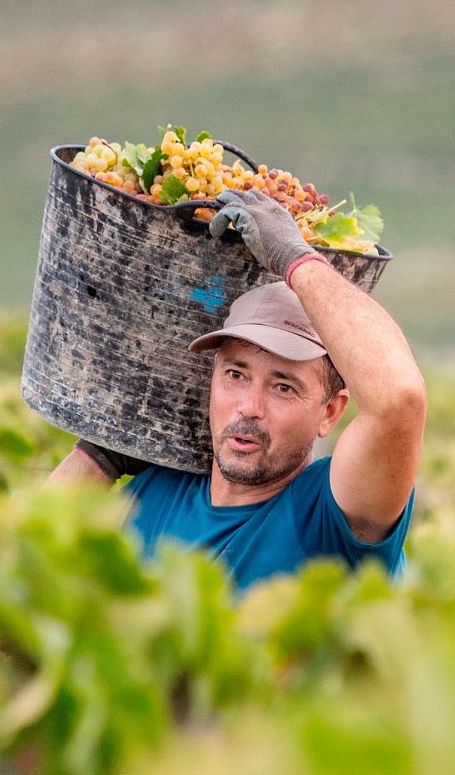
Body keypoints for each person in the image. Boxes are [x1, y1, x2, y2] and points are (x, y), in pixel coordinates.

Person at [47, 189, 427, 591]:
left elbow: (400, 400)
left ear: (330, 412)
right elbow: (27, 562)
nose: (249, 407)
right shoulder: (156, 487)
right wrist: (98, 457)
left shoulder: (329, 516)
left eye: (284, 386)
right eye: (236, 375)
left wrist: (294, 259)